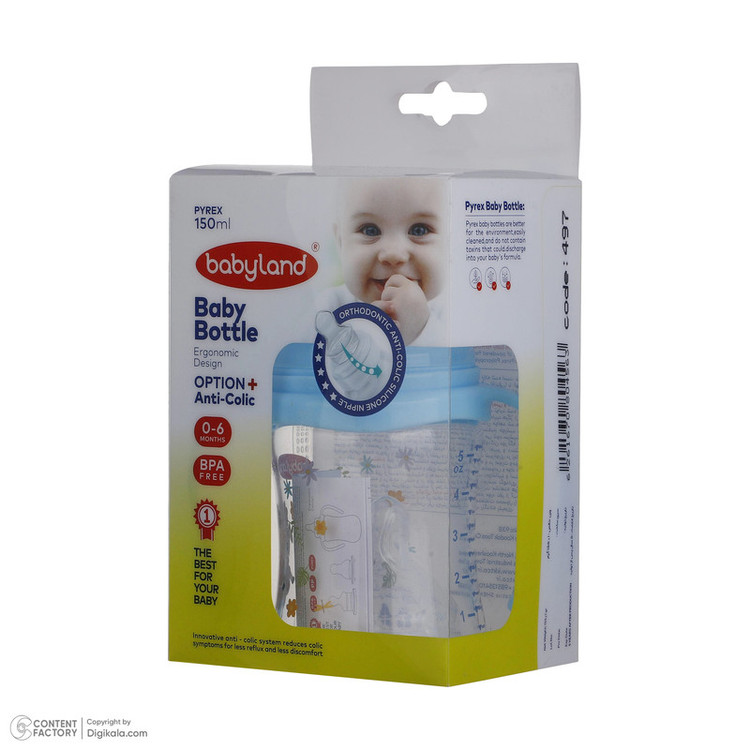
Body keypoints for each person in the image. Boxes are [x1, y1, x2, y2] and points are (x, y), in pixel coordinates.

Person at [317, 177, 447, 346]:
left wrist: (420, 330)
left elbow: (453, 360)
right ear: (340, 243)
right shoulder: (328, 309)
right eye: (370, 230)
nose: (393, 253)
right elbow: (301, 355)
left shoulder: (451, 314)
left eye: (419, 230)